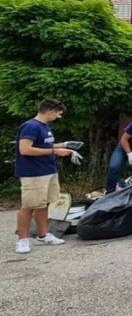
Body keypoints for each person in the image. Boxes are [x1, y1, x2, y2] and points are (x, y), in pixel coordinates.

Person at [14, 99, 83, 254]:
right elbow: (25, 149)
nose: (59, 116)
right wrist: (55, 152)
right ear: (50, 110)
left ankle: (43, 235)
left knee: (44, 204)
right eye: (58, 113)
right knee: (29, 206)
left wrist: (64, 145)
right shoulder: (30, 126)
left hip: (48, 170)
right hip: (33, 173)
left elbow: (44, 145)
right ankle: (22, 239)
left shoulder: (45, 127)